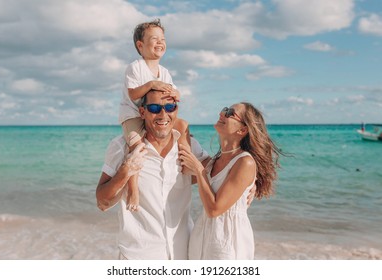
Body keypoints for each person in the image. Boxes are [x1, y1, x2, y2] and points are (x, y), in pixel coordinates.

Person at [96, 90, 208, 260]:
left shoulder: (189, 146)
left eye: (170, 107)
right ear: (142, 112)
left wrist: (251, 183)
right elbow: (102, 202)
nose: (163, 114)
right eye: (155, 108)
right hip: (139, 256)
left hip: (183, 253)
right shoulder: (121, 147)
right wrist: (126, 170)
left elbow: (218, 173)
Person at [179, 102, 282, 259]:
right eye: (224, 110)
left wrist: (199, 171)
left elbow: (214, 209)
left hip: (227, 241)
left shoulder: (245, 162)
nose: (222, 113)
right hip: (201, 237)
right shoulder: (214, 161)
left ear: (242, 130)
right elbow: (183, 171)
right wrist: (183, 133)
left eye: (230, 113)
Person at [118, 19, 191, 212]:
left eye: (163, 39)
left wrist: (176, 94)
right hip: (133, 114)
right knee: (137, 147)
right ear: (140, 45)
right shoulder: (135, 67)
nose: (160, 42)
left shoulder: (164, 72)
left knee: (183, 124)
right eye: (154, 39)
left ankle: (185, 162)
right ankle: (133, 187)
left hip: (155, 116)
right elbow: (133, 94)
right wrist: (151, 84)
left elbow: (173, 92)